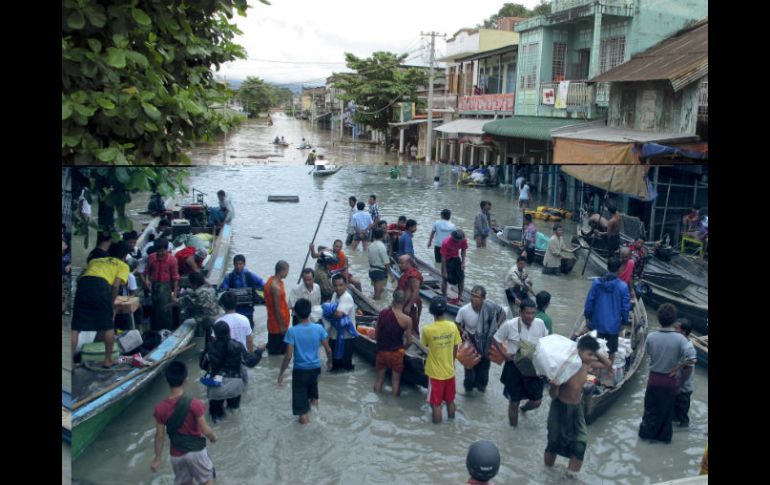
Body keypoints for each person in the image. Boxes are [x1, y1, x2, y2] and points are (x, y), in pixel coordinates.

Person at [544, 335, 610, 476]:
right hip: (559, 407)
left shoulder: (588, 364)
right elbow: (553, 395)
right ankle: (547, 473)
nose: (592, 357)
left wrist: (594, 350)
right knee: (553, 443)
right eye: (589, 354)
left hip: (577, 408)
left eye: (593, 355)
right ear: (579, 351)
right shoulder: (565, 366)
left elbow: (607, 364)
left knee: (580, 444)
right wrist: (554, 386)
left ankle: (570, 478)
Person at [151, 361, 217, 484]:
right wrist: (213, 437)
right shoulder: (195, 403)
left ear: (167, 380)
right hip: (196, 452)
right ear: (186, 379)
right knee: (207, 480)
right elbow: (205, 430)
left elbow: (159, 436)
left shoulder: (160, 408)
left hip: (177, 456)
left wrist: (157, 458)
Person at [639, 304, 695, 443]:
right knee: (666, 414)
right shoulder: (681, 339)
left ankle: (646, 438)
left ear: (658, 319)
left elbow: (649, 354)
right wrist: (679, 380)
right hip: (670, 381)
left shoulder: (651, 337)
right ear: (673, 320)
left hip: (654, 379)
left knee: (650, 411)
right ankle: (663, 440)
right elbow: (691, 360)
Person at [71, 240, 131, 368]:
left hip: (84, 286)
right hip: (101, 287)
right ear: (125, 255)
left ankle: (70, 362)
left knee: (76, 327)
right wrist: (110, 303)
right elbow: (115, 286)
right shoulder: (123, 265)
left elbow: (78, 278)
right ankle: (108, 360)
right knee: (107, 325)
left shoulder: (95, 260)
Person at [491, 299, 549, 427]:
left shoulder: (540, 323)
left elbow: (546, 341)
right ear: (520, 312)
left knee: (537, 401)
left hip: (533, 366)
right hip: (514, 366)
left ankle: (524, 409)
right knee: (514, 403)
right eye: (527, 313)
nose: (530, 316)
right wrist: (504, 354)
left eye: (533, 313)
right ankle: (513, 431)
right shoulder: (509, 324)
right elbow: (495, 339)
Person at [278, 298, 333, 424]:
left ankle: (305, 434)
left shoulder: (292, 331)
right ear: (310, 313)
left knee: (301, 410)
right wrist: (329, 362)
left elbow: (288, 356)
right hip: (315, 369)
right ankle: (317, 420)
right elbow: (328, 349)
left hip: (300, 371)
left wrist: (281, 373)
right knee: (313, 397)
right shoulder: (318, 328)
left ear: (295, 313)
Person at [201, 321, 264, 422]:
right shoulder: (237, 346)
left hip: (216, 387)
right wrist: (259, 351)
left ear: (215, 333)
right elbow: (250, 362)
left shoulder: (209, 347)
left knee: (216, 419)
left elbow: (203, 365)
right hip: (234, 385)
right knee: (234, 414)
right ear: (229, 332)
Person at [581, 256, 631, 374]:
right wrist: (623, 321)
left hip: (596, 322)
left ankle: (595, 372)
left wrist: (587, 317)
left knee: (596, 348)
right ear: (619, 270)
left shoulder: (597, 283)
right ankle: (609, 372)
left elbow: (589, 302)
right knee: (611, 351)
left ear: (607, 267)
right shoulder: (623, 286)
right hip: (613, 325)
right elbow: (625, 307)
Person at [455, 286, 506, 394]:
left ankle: (481, 397)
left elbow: (502, 313)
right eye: (472, 296)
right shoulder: (464, 310)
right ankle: (468, 397)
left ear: (483, 298)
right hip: (470, 342)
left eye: (476, 297)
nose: (473, 299)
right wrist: (463, 331)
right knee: (469, 376)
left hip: (485, 343)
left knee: (483, 375)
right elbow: (457, 323)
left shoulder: (490, 306)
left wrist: (497, 324)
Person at [421, 296, 463, 424]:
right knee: (450, 400)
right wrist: (452, 362)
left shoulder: (427, 330)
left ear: (431, 312)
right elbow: (456, 347)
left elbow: (425, 347)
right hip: (450, 371)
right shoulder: (452, 326)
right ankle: (451, 424)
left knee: (436, 403)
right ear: (445, 311)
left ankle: (437, 432)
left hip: (435, 374)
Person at [373, 290, 413, 396]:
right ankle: (393, 406)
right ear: (404, 301)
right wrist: (402, 348)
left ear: (393, 300)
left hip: (382, 351)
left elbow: (376, 334)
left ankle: (376, 401)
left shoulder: (383, 313)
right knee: (395, 382)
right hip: (396, 353)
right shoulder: (407, 320)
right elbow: (409, 342)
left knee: (379, 380)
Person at [219, 254, 266, 329]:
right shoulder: (229, 277)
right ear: (234, 264)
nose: (238, 266)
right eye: (236, 264)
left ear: (244, 264)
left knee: (249, 330)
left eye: (240, 264)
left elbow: (264, 284)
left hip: (248, 311)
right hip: (234, 311)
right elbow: (223, 291)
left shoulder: (250, 276)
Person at [323, 273, 358, 372]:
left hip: (347, 338)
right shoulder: (334, 294)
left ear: (346, 285)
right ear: (332, 286)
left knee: (346, 367)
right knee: (335, 365)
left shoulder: (346, 297)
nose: (338, 288)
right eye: (335, 286)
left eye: (340, 285)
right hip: (335, 335)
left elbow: (339, 314)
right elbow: (333, 310)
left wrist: (326, 310)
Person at [143, 238, 180, 331]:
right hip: (154, 286)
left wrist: (174, 295)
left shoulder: (172, 260)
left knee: (165, 310)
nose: (160, 253)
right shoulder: (151, 257)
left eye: (162, 251)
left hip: (166, 287)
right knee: (154, 310)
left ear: (166, 249)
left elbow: (175, 278)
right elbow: (147, 271)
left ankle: (166, 331)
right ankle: (155, 331)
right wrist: (147, 280)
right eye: (158, 251)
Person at [176, 271, 223, 340]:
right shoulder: (209, 289)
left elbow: (186, 302)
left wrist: (174, 301)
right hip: (218, 314)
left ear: (194, 284)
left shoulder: (198, 293)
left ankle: (198, 336)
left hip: (209, 319)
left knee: (185, 315)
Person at [672, 318, 697, 428]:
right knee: (674, 414)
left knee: (682, 418)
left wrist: (679, 385)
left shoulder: (687, 347)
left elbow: (688, 369)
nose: (673, 331)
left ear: (684, 332)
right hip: (676, 385)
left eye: (676, 329)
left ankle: (682, 434)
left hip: (683, 388)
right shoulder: (678, 343)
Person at [265, 260, 291, 355]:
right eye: (287, 270)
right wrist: (282, 326)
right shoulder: (275, 287)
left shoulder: (273, 281)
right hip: (277, 326)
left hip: (277, 322)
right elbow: (277, 308)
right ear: (283, 271)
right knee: (278, 353)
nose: (288, 273)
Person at [397, 254, 423, 337]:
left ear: (408, 263)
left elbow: (415, 291)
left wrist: (409, 305)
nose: (399, 265)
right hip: (402, 304)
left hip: (409, 306)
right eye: (399, 263)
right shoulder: (406, 273)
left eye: (401, 263)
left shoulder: (414, 275)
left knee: (412, 326)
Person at [441, 229, 468, 305]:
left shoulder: (463, 240)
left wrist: (463, 262)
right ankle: (444, 295)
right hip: (447, 260)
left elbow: (463, 250)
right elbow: (443, 257)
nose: (458, 242)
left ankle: (460, 296)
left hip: (456, 258)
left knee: (462, 278)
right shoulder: (446, 242)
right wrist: (444, 271)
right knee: (445, 278)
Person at [368, 228, 391, 301]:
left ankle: (375, 303)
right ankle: (376, 308)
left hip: (372, 270)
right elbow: (386, 262)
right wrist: (391, 274)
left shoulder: (371, 245)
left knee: (379, 291)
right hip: (379, 272)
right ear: (383, 236)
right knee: (378, 295)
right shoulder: (382, 246)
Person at [62, 235, 72, 315]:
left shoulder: (68, 255)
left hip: (65, 276)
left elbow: (74, 262)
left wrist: (70, 265)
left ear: (66, 246)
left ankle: (64, 309)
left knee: (65, 292)